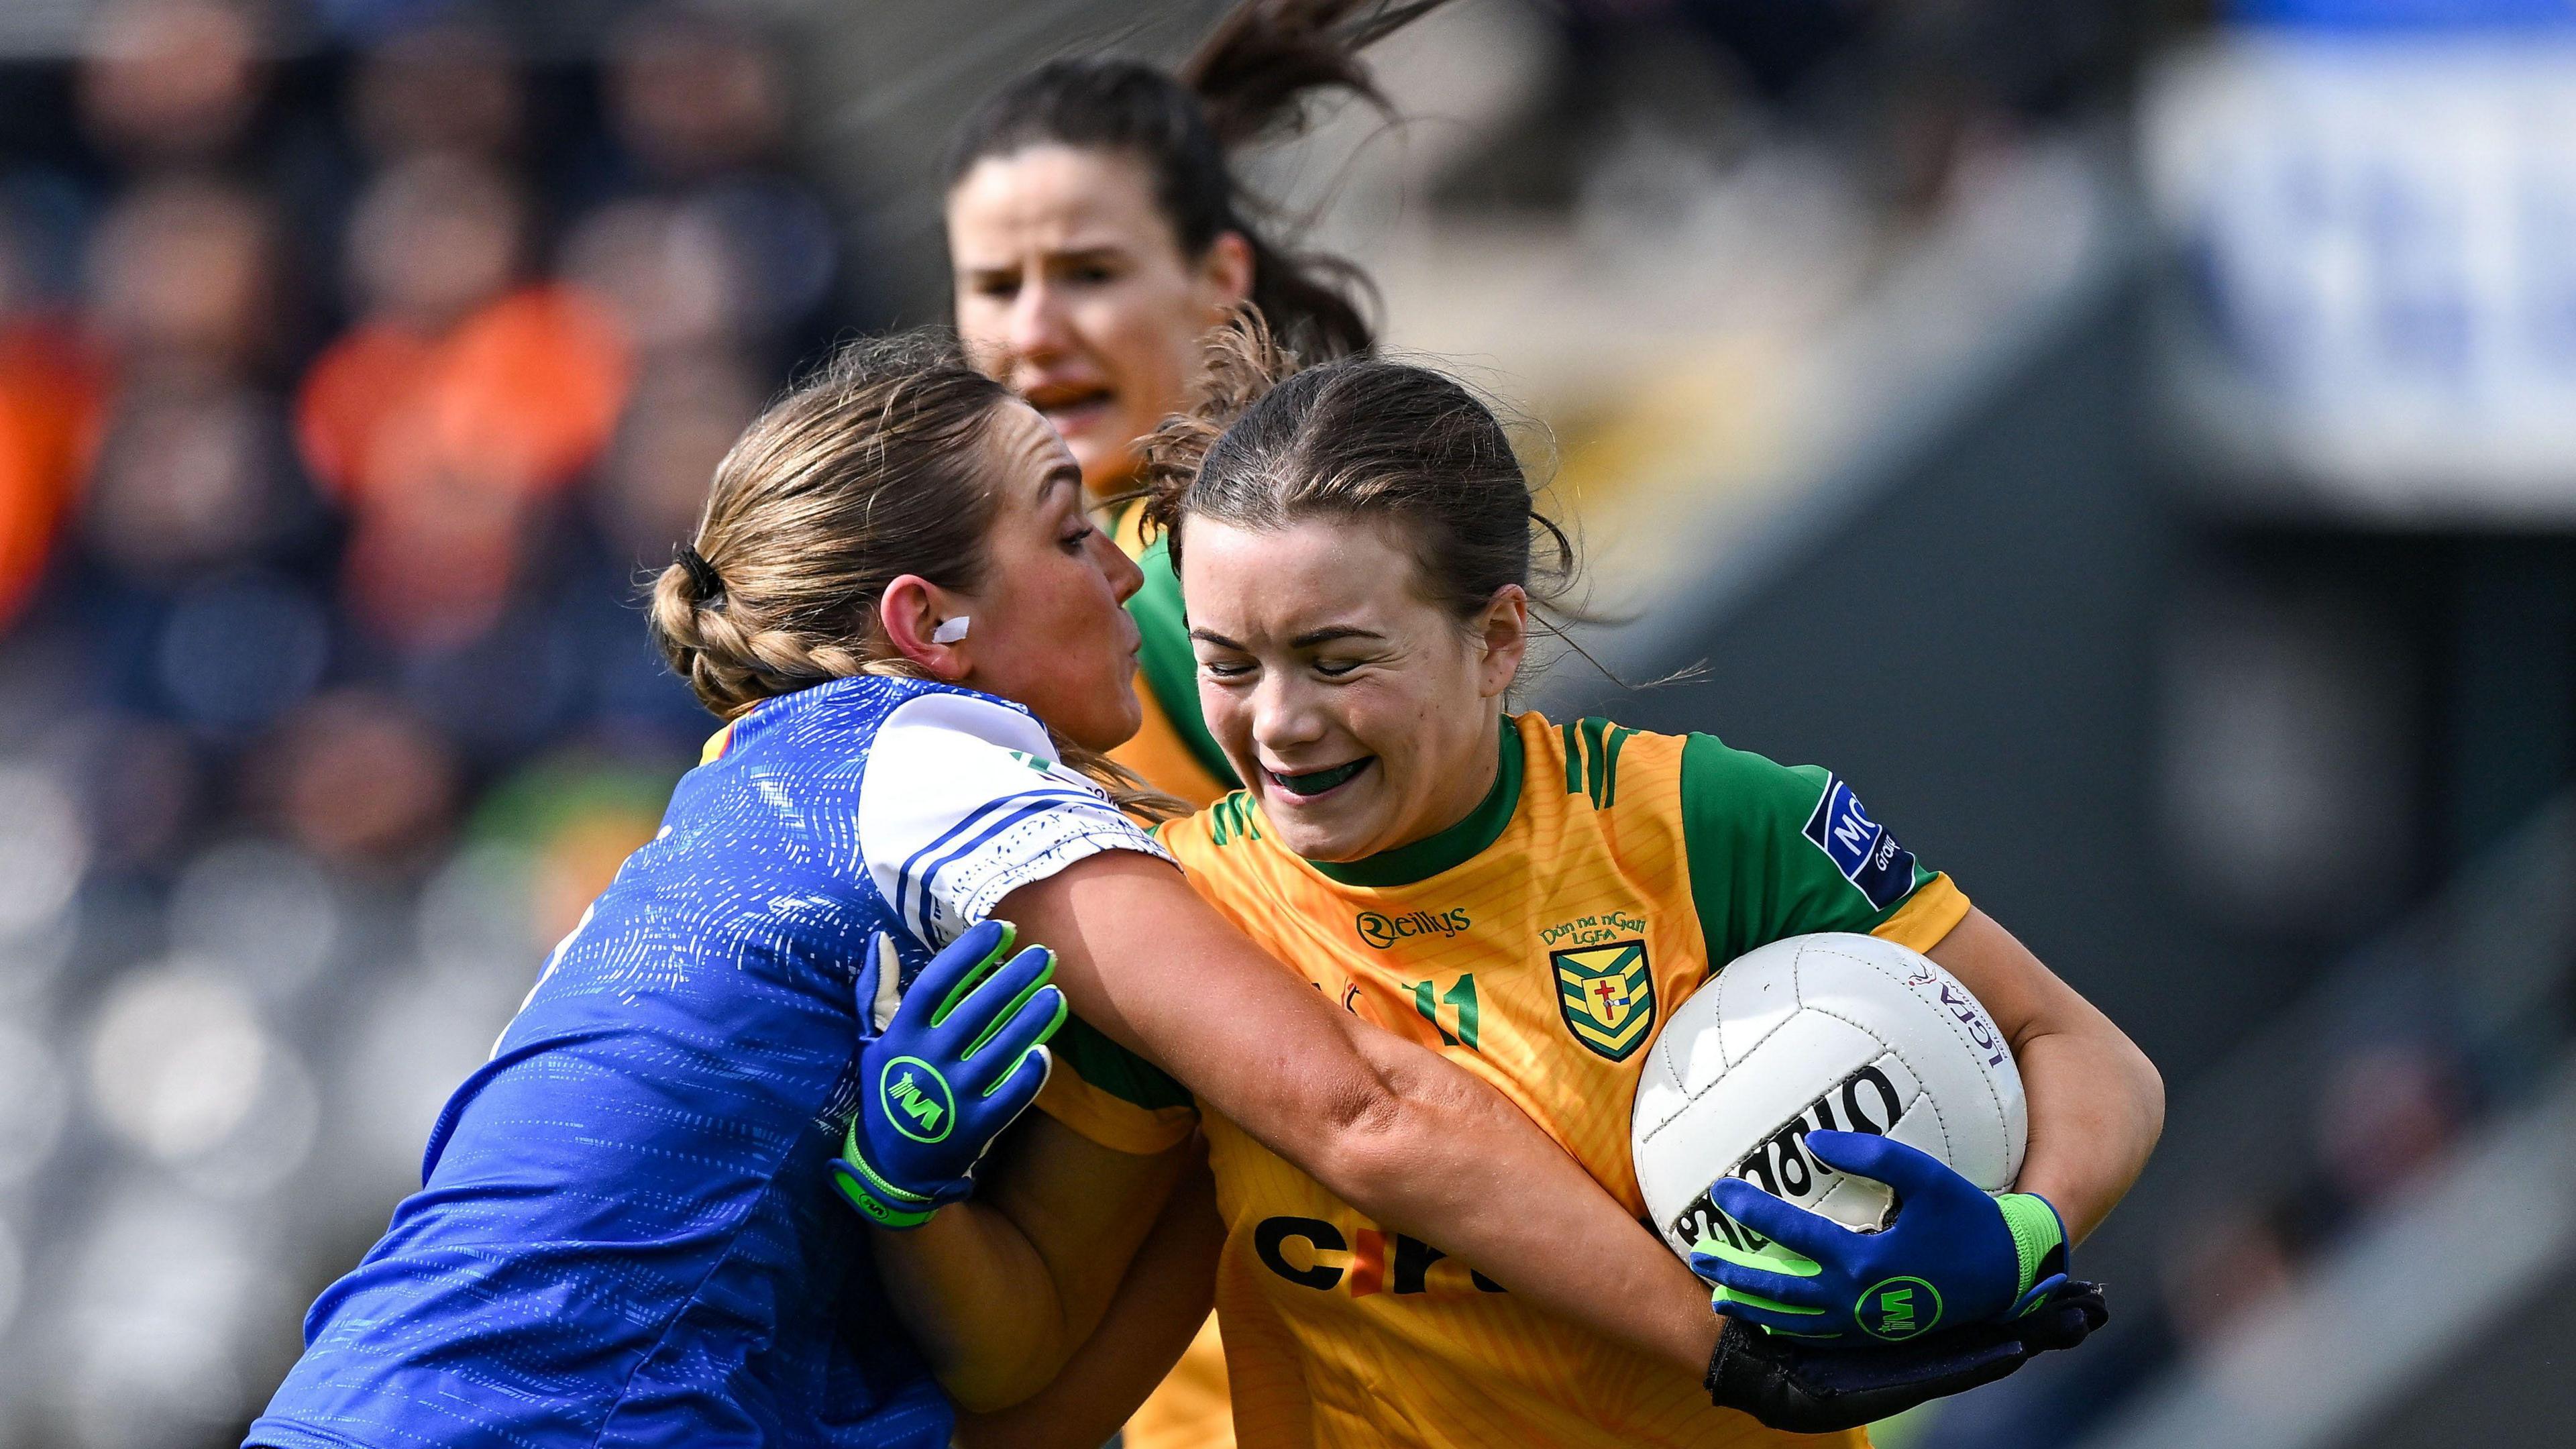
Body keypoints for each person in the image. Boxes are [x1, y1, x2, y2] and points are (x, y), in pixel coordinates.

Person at [244, 333, 1731, 1449]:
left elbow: (1029, 1407)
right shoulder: (919, 756)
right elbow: (1361, 1110)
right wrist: (1729, 1345)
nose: (1119, 584)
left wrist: (919, 1213)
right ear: (925, 623)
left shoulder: (736, 808)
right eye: (1071, 530)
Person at [897, 325, 2161, 1447]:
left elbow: (2085, 1052)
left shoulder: (1704, 824)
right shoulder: (1178, 926)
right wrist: (902, 1191)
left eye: (1337, 660)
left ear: (1496, 639)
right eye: (1229, 664)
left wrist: (2024, 1235)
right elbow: (1041, 1376)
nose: (1277, 721)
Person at [945, 0, 1429, 814]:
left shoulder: (1210, 568)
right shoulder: (1041, 567)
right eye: (996, 285)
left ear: (1219, 277)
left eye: (1090, 274)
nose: (1034, 330)